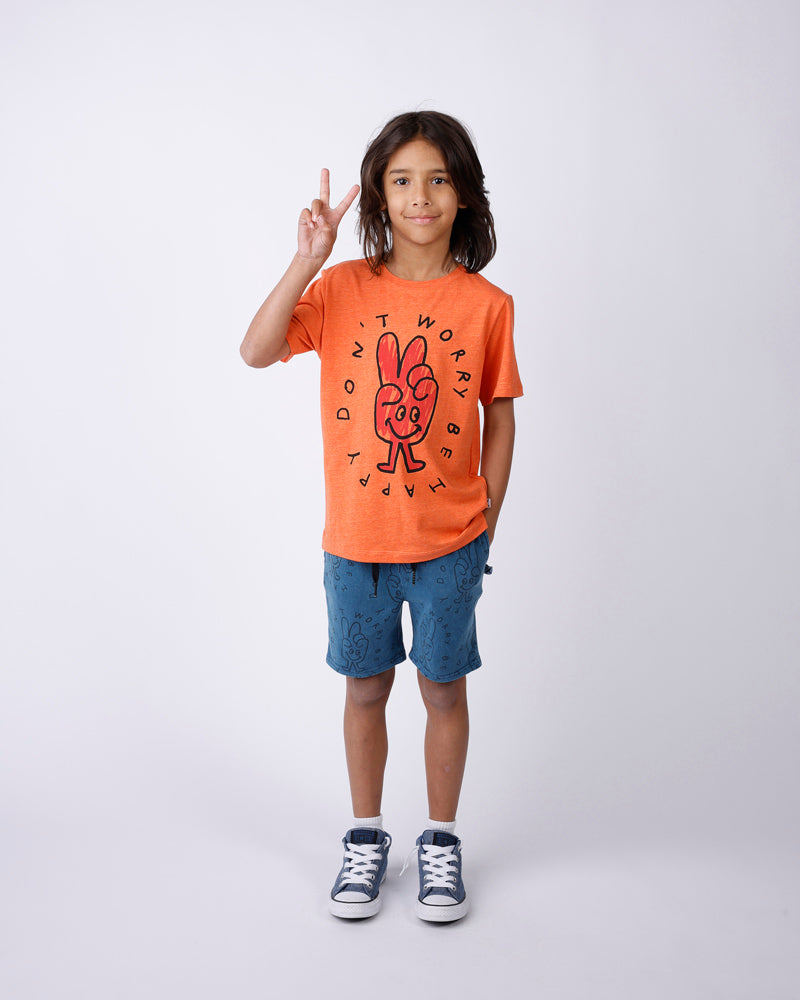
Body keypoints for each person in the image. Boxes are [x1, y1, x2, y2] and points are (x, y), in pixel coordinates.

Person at [240, 111, 523, 922]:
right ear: (377, 195)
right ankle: (366, 835)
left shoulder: (488, 304)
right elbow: (257, 351)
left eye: (437, 178)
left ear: (464, 194)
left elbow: (499, 413)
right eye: (401, 180)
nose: (420, 196)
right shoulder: (341, 289)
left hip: (451, 544)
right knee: (366, 689)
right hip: (356, 543)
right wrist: (305, 260)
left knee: (442, 688)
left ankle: (439, 840)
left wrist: (487, 517)